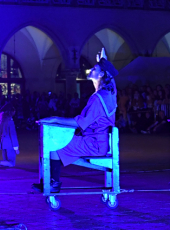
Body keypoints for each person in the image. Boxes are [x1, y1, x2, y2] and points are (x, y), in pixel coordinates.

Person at [37, 49, 118, 194]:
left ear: (100, 75)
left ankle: (53, 184)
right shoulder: (108, 94)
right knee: (56, 144)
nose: (90, 69)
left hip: (94, 144)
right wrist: (104, 63)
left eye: (94, 68)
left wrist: (55, 119)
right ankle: (51, 182)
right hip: (97, 141)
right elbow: (113, 83)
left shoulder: (99, 98)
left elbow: (80, 123)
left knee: (55, 146)